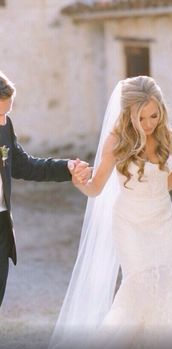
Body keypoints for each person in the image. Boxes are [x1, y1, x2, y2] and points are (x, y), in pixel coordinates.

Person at [50, 76, 172, 349]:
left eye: (154, 115)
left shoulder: (165, 137)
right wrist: (79, 182)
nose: (149, 124)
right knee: (139, 286)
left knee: (167, 283)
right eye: (141, 118)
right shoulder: (115, 141)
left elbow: (167, 181)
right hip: (130, 224)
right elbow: (95, 188)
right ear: (127, 114)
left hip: (162, 221)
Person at [0, 70, 91, 307]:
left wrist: (67, 167)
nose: (3, 120)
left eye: (6, 113)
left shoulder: (5, 126)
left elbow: (25, 165)